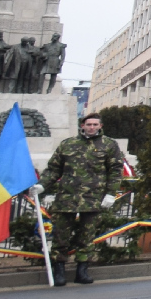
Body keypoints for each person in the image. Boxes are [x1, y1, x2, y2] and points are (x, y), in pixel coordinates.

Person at [39, 114, 123, 285]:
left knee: (86, 236)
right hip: (67, 197)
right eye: (88, 124)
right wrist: (42, 186)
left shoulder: (108, 145)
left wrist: (110, 193)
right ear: (82, 125)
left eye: (95, 124)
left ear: (100, 126)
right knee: (61, 235)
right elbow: (54, 169)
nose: (91, 127)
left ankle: (82, 270)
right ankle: (59, 270)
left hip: (93, 198)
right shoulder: (68, 144)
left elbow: (115, 170)